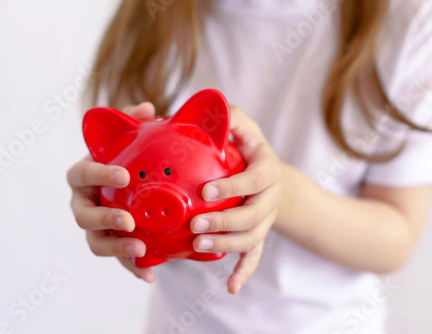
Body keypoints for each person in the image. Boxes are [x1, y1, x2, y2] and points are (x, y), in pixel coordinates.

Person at [66, 0, 432, 332]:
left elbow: (395, 239)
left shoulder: (408, 23)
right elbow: (129, 156)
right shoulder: (155, 15)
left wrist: (279, 195)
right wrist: (106, 194)